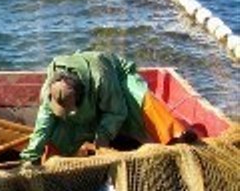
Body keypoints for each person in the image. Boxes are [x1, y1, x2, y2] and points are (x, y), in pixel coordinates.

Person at [19, 50, 189, 163]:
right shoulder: (51, 89)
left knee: (143, 99)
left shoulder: (101, 77)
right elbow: (43, 127)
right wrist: (30, 157)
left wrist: (102, 138)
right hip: (89, 106)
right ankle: (56, 166)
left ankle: (176, 138)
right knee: (55, 135)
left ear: (80, 95)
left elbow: (117, 111)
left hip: (118, 84)